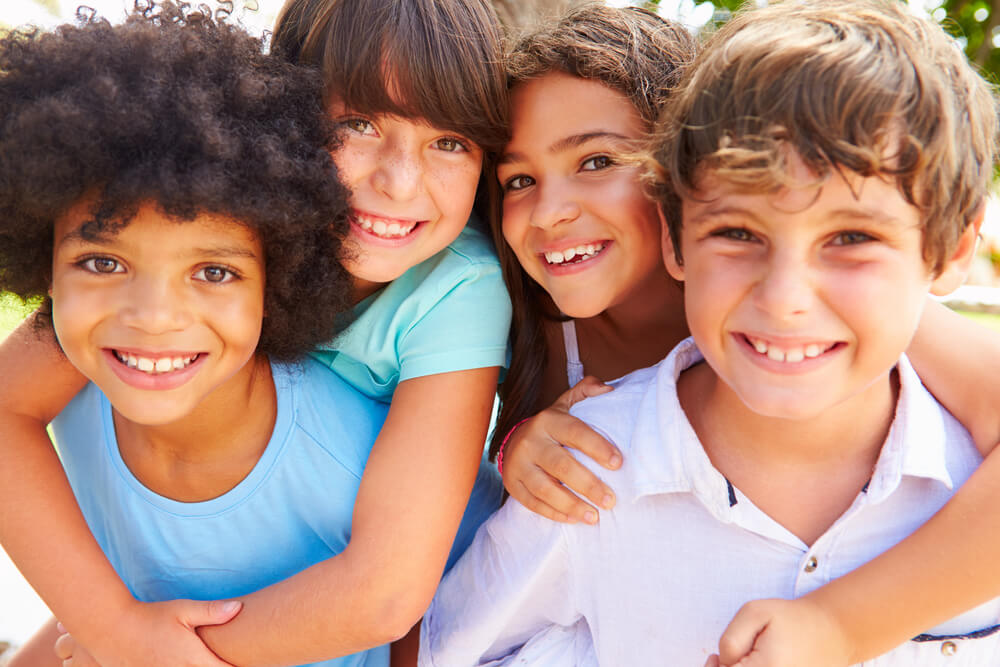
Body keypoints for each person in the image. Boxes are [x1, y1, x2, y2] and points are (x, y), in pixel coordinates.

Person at [422, 1, 1000, 664]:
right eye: (520, 179)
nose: (784, 301)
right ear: (681, 230)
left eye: (597, 160)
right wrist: (519, 443)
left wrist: (847, 623)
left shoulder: (865, 306)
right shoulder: (532, 320)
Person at [0, 0, 509, 665]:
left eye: (450, 141)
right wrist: (114, 627)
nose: (399, 180)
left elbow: (388, 588)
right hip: (220, 565)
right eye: (357, 123)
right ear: (284, 113)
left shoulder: (457, 287)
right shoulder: (204, 213)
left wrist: (147, 648)